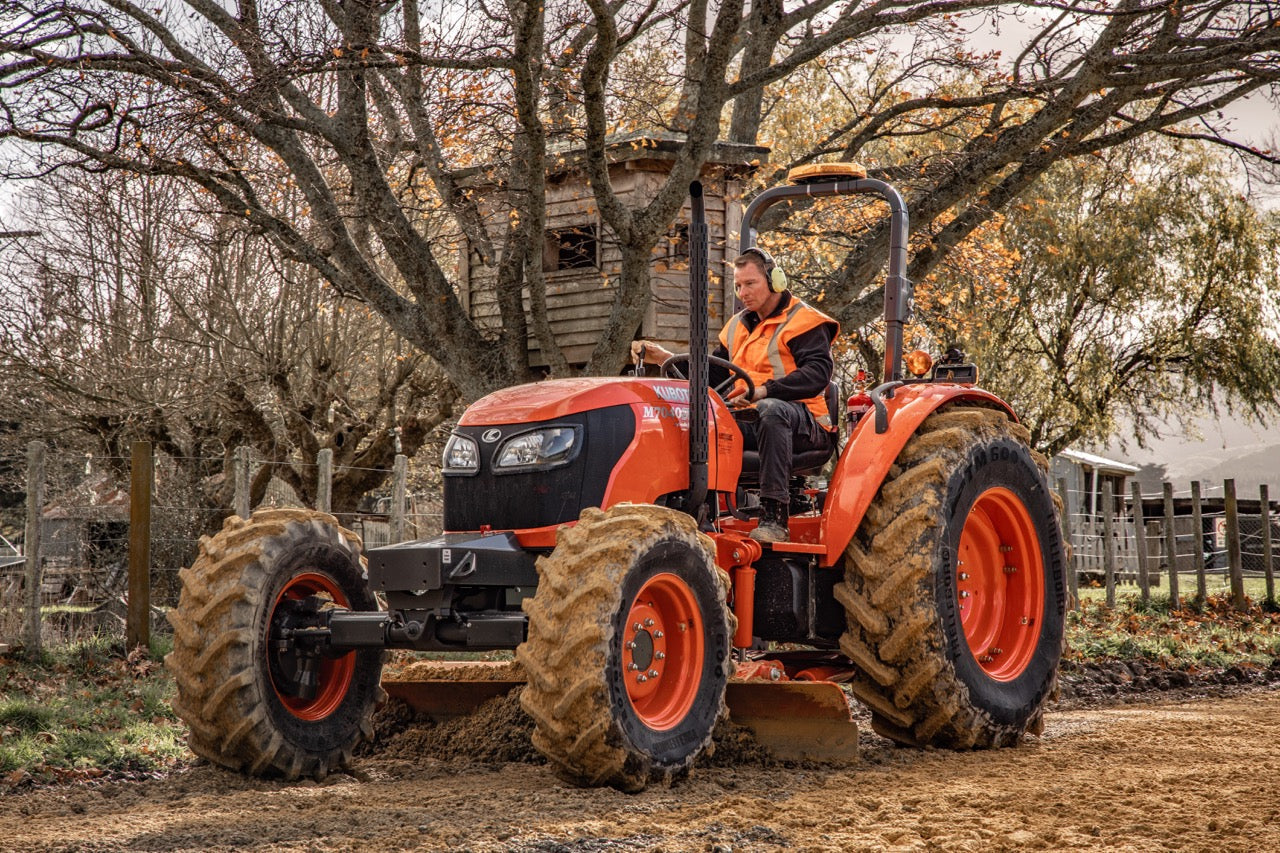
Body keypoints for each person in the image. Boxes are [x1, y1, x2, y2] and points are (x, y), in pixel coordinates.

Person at [631, 248, 839, 542]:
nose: (743, 292)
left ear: (774, 281)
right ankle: (690, 514)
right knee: (693, 420)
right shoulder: (736, 327)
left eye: (750, 283)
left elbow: (817, 375)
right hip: (752, 420)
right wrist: (665, 357)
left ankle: (773, 518)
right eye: (738, 285)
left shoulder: (804, 322)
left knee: (771, 410)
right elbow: (713, 374)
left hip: (805, 422)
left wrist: (764, 390)